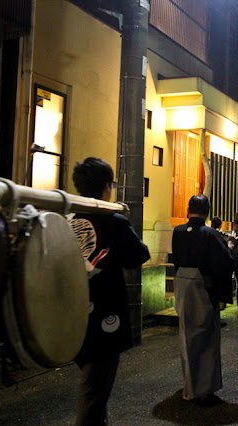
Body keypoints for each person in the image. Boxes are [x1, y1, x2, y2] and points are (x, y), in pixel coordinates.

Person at [69, 157, 150, 425]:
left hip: (72, 313)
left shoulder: (67, 218)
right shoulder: (113, 220)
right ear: (106, 186)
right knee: (93, 393)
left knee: (95, 391)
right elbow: (137, 256)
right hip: (104, 318)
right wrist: (124, 221)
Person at [172, 195, 234, 402]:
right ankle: (202, 387)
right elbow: (224, 264)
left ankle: (189, 386)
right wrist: (223, 296)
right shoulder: (210, 234)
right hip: (202, 288)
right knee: (205, 337)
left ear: (188, 210)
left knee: (186, 336)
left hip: (182, 285)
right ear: (207, 212)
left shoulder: (178, 231)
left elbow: (176, 259)